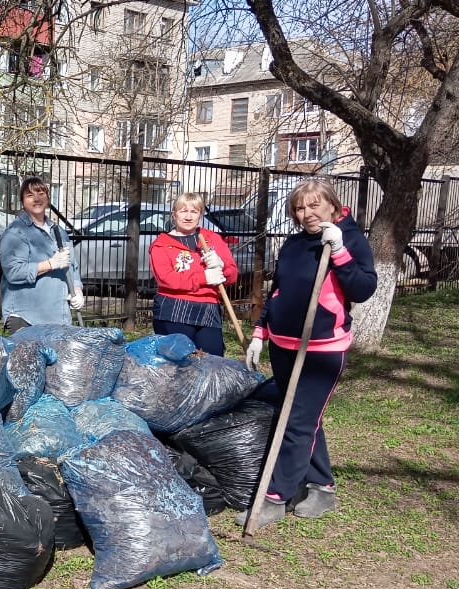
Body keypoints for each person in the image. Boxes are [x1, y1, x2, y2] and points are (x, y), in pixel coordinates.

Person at [240, 179, 377, 529]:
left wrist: (341, 252)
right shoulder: (296, 242)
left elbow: (363, 289)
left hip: (321, 350)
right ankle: (322, 485)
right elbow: (278, 290)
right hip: (284, 346)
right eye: (300, 208)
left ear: (331, 205)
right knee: (304, 419)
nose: (307, 214)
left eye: (314, 206)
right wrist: (261, 331)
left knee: (297, 421)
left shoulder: (349, 238)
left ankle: (274, 498)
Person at [149, 192, 238, 356]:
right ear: (174, 215)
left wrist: (221, 265)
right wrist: (205, 277)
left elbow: (232, 275)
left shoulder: (213, 239)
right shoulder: (161, 245)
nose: (188, 217)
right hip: (173, 310)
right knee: (178, 363)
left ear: (200, 215)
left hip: (208, 309)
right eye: (183, 211)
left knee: (212, 360)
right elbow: (167, 279)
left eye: (194, 211)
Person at [0, 177, 85, 329]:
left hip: (58, 317)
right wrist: (51, 264)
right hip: (26, 318)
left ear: (48, 197)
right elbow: (13, 272)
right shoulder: (15, 233)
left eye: (41, 193)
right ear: (22, 201)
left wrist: (77, 290)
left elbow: (72, 266)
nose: (37, 198)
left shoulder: (59, 232)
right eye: (30, 195)